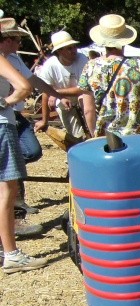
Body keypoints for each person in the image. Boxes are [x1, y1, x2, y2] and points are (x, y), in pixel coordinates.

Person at [0, 17, 66, 231]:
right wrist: (5, 103)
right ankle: (15, 216)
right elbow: (24, 87)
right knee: (10, 171)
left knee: (32, 152)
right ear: (6, 40)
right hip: (6, 116)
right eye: (17, 39)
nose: (20, 44)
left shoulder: (15, 60)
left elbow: (34, 82)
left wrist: (56, 94)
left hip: (15, 117)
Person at [78, 14, 140, 137]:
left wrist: (94, 135)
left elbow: (88, 110)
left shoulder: (90, 67)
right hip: (139, 136)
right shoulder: (139, 65)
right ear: (124, 41)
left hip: (107, 138)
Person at [0, 47, 47, 272]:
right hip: (1, 125)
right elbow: (24, 87)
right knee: (6, 192)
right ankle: (11, 254)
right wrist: (4, 102)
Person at [34, 30, 94, 142]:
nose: (74, 50)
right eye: (69, 48)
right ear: (60, 51)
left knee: (93, 133)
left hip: (84, 101)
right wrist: (44, 121)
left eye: (74, 47)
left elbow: (83, 89)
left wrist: (56, 93)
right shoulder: (50, 66)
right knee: (76, 138)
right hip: (65, 105)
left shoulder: (82, 60)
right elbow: (45, 93)